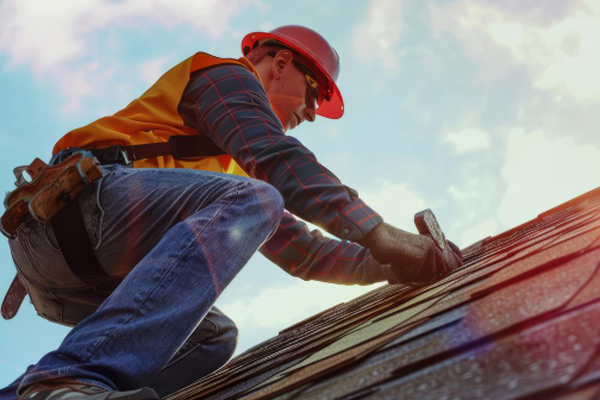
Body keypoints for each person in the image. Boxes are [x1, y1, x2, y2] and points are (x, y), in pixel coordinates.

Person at [0, 25, 461, 400]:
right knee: (258, 196)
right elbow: (276, 158)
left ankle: (40, 393)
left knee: (213, 336)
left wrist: (389, 265)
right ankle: (66, 382)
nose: (314, 113)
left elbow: (299, 251)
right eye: (315, 92)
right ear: (280, 62)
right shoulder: (223, 77)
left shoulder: (230, 178)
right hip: (75, 213)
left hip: (76, 272)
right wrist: (379, 233)